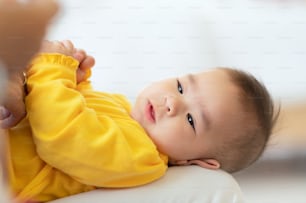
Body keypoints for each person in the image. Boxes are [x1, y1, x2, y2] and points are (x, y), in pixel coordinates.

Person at [2, 40, 278, 202]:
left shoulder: (142, 158)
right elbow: (68, 107)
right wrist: (75, 80)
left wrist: (52, 67)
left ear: (197, 163)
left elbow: (62, 135)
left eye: (192, 120)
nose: (173, 103)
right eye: (182, 87)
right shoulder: (122, 106)